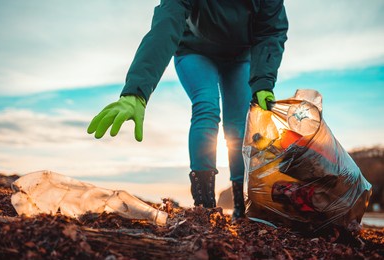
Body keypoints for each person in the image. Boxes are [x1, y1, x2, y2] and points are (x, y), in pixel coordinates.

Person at [87, 0, 288, 220]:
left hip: (241, 58)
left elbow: (271, 31)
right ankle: (205, 207)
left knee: (239, 126)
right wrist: (137, 91)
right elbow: (166, 24)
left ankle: (241, 205)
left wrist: (263, 82)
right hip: (195, 51)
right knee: (206, 106)